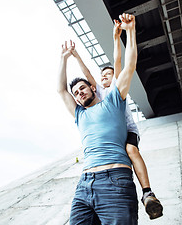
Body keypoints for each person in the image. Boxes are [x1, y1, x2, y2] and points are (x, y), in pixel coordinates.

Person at [57, 13, 158, 224]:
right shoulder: (79, 114)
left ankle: (147, 192)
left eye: (82, 88)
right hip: (84, 184)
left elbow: (127, 66)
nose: (79, 93)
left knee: (131, 149)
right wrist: (64, 58)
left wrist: (129, 32)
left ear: (92, 88)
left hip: (115, 180)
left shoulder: (112, 100)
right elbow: (60, 90)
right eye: (75, 92)